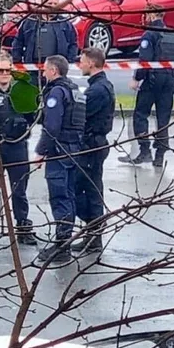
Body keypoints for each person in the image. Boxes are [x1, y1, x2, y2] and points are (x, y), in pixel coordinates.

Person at [33, 55, 85, 267]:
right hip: (75, 150)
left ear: (53, 70)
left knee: (60, 196)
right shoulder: (75, 91)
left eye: (45, 69)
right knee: (69, 195)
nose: (43, 73)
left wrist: (40, 152)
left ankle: (62, 246)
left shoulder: (56, 92)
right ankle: (66, 239)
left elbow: (52, 126)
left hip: (60, 151)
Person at [0, 55, 37, 246]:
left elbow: (33, 116)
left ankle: (23, 229)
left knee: (19, 190)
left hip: (18, 147)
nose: (4, 74)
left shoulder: (20, 91)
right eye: (1, 70)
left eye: (8, 70)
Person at [119, 7, 174, 167]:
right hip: (170, 81)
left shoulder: (149, 34)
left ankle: (144, 150)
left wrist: (136, 78)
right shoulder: (172, 35)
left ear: (152, 15)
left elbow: (145, 61)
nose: (144, 18)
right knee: (163, 120)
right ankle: (160, 155)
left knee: (140, 114)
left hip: (152, 81)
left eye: (145, 15)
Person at [71, 46, 114, 256]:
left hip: (91, 145)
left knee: (86, 188)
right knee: (89, 187)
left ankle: (93, 231)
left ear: (92, 63)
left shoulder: (97, 90)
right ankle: (92, 231)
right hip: (93, 143)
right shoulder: (100, 86)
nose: (80, 63)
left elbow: (84, 117)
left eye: (82, 60)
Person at [11, 0, 78, 86]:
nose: (53, 6)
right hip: (33, 69)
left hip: (56, 70)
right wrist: (18, 63)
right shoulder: (30, 21)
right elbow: (18, 42)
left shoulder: (64, 23)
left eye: (56, 3)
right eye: (50, 3)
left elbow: (73, 44)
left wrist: (68, 61)